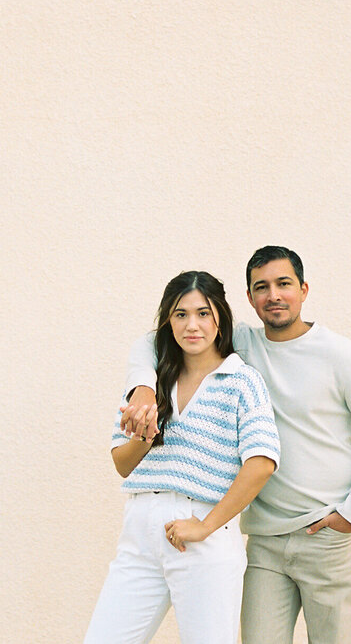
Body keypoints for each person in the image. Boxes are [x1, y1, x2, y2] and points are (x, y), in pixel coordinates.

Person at [120, 246, 351, 644]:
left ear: (304, 290)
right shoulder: (242, 343)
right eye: (261, 287)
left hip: (329, 533)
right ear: (250, 298)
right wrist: (143, 388)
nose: (273, 295)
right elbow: (154, 339)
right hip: (266, 540)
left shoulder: (343, 356)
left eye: (284, 284)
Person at [84, 270, 280, 644]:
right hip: (140, 532)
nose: (193, 325)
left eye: (203, 313)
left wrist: (206, 525)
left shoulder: (242, 381)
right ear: (168, 321)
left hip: (202, 531)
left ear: (220, 317)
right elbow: (123, 464)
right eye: (181, 314)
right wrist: (145, 433)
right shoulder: (149, 383)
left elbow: (262, 461)